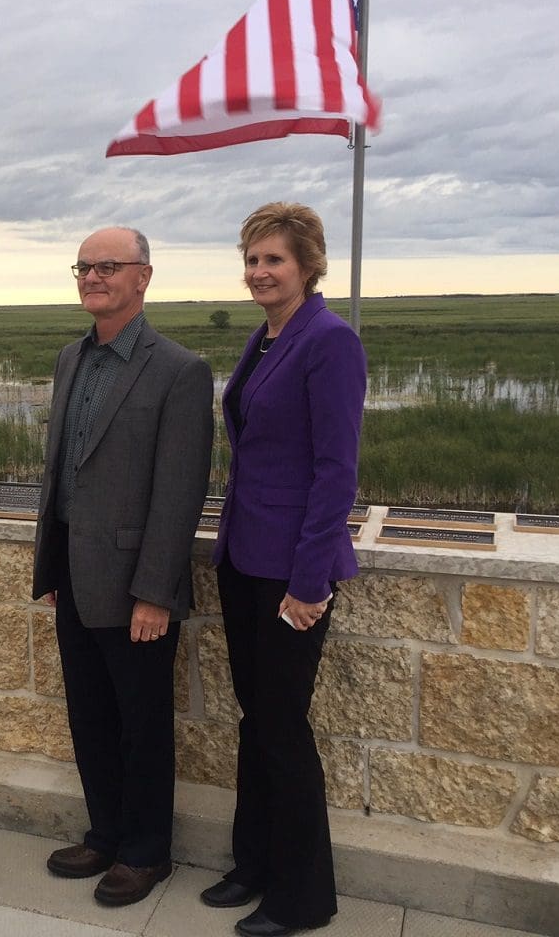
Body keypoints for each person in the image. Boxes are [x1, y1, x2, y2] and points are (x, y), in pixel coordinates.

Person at [32, 227, 214, 906]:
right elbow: (62, 475)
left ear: (143, 277)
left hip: (136, 584)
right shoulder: (70, 359)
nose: (92, 277)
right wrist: (51, 564)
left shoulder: (178, 370)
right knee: (89, 715)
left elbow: (179, 491)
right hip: (74, 576)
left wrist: (155, 593)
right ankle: (105, 832)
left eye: (108, 266)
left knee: (141, 722)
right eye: (84, 266)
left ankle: (146, 852)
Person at [201, 203, 366, 937]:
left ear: (307, 265)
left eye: (274, 259)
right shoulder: (265, 340)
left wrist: (309, 583)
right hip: (243, 557)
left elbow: (336, 471)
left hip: (291, 572)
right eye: (253, 259)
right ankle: (254, 863)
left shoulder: (330, 341)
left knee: (282, 727)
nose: (260, 271)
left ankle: (302, 898)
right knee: (256, 720)